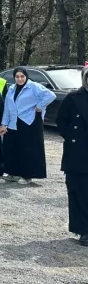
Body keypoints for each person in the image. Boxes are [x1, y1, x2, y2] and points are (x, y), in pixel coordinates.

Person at [0, 67, 55, 184]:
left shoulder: (34, 86)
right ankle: (13, 173)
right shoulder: (11, 88)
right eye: (17, 77)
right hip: (13, 122)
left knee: (27, 149)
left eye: (22, 76)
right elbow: (7, 108)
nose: (20, 79)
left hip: (29, 121)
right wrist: (4, 123)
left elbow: (50, 95)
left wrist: (39, 106)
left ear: (26, 76)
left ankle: (27, 175)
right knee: (11, 147)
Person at [57, 67, 88, 245]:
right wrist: (71, 137)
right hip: (77, 155)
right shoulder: (73, 97)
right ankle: (83, 229)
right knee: (79, 192)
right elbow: (61, 121)